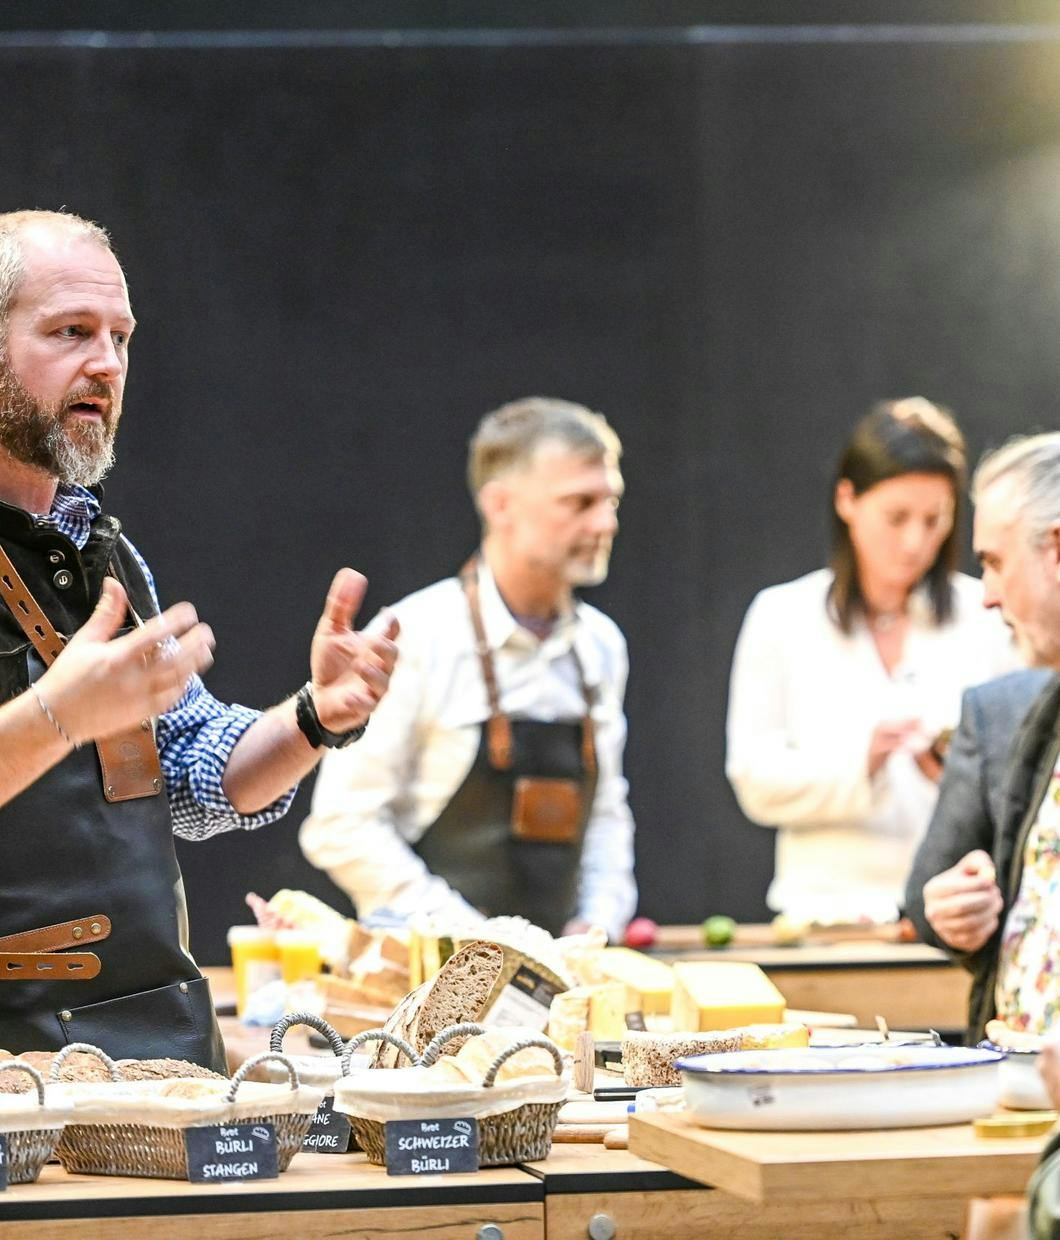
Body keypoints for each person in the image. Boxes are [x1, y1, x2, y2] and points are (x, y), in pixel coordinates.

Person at [0, 210, 398, 1070]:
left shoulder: (107, 554)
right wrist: (59, 717)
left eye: (120, 336)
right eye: (70, 332)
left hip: (164, 1052)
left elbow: (192, 774)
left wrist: (314, 719)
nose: (105, 363)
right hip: (16, 1075)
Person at [300, 396, 635, 941]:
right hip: (431, 977)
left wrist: (599, 922)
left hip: (566, 973)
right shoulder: (412, 634)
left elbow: (606, 814)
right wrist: (476, 939)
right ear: (500, 504)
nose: (606, 522)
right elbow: (342, 826)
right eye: (579, 502)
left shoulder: (601, 646)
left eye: (611, 501)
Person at [726, 398, 1016, 924]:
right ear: (847, 500)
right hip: (821, 917)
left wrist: (952, 772)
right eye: (896, 517)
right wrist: (862, 762)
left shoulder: (989, 612)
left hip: (952, 920)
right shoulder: (783, 615)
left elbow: (1021, 778)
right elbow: (753, 778)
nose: (915, 541)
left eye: (935, 520)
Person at [913, 431, 1060, 1042]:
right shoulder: (1039, 712)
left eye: (996, 563)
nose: (988, 594)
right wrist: (957, 911)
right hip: (1019, 1102)